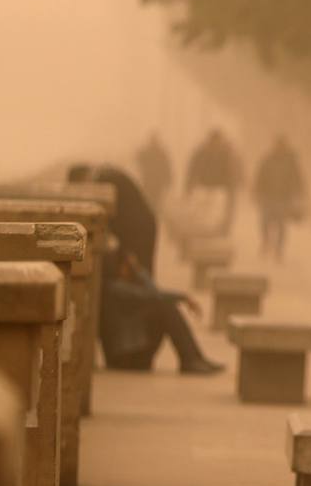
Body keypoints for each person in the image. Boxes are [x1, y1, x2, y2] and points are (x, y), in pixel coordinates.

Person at [69, 164, 223, 375]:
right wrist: (180, 297)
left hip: (133, 349)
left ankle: (193, 358)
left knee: (162, 303)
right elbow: (145, 294)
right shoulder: (106, 272)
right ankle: (191, 359)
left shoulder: (117, 258)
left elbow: (146, 287)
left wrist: (172, 296)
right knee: (164, 305)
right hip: (123, 356)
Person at [252, 135, 305, 261]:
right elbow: (260, 176)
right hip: (268, 196)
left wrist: (298, 194)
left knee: (281, 225)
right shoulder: (267, 160)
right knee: (265, 222)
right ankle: (266, 242)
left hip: (283, 197)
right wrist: (257, 192)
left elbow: (297, 178)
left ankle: (279, 249)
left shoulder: (291, 162)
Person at [184, 129, 242, 235]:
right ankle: (210, 232)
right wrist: (189, 185)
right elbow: (193, 169)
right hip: (208, 187)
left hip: (217, 188)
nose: (215, 143)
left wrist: (189, 185)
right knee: (206, 213)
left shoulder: (223, 153)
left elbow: (232, 172)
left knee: (213, 213)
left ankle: (217, 231)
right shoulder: (207, 152)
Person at [134, 131, 172, 210]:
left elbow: (138, 159)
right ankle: (153, 212)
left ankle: (150, 212)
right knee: (155, 200)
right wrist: (168, 181)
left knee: (150, 199)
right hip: (157, 182)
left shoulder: (147, 152)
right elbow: (167, 168)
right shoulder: (161, 153)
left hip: (150, 181)